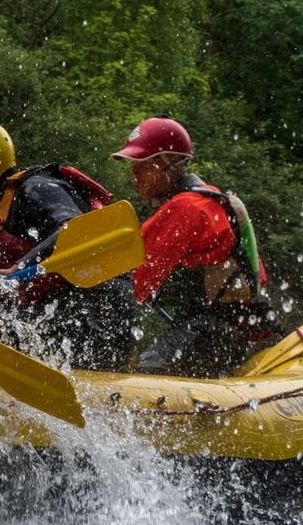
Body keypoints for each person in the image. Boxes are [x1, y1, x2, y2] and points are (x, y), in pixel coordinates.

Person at [0, 120, 136, 369]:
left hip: (98, 312)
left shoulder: (38, 188)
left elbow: (75, 229)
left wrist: (18, 269)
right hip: (63, 310)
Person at [113, 117, 275, 377]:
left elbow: (132, 281)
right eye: (134, 167)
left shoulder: (186, 208)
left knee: (138, 376)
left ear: (171, 163)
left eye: (142, 167)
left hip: (207, 333)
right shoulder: (212, 198)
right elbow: (258, 279)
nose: (135, 177)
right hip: (227, 335)